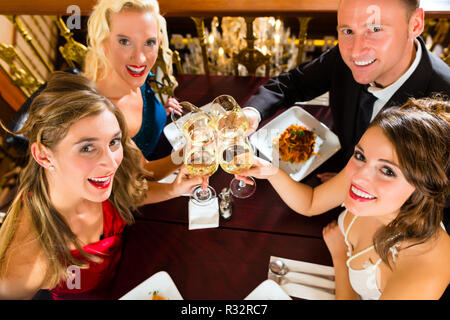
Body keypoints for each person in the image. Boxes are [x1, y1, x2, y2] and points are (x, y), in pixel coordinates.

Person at [0, 72, 203, 299]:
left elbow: (129, 192)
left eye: (114, 142)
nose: (110, 163)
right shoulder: (27, 261)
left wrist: (174, 187)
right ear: (44, 156)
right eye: (87, 148)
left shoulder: (101, 141)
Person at [236, 97, 450, 299]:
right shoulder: (362, 176)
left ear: (424, 186)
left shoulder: (426, 267)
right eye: (360, 155)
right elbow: (311, 202)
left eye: (387, 171)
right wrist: (271, 171)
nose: (357, 176)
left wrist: (340, 257)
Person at [243, 0, 450, 173]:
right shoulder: (344, 56)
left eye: (375, 29)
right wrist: (251, 114)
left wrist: (358, 186)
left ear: (415, 24)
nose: (355, 52)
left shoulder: (445, 100)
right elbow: (293, 83)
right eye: (348, 30)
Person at [84, 0, 183, 181]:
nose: (140, 58)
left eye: (149, 42)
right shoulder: (103, 114)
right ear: (104, 43)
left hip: (166, 146)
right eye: (124, 41)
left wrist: (160, 110)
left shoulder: (129, 72)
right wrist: (187, 154)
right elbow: (145, 172)